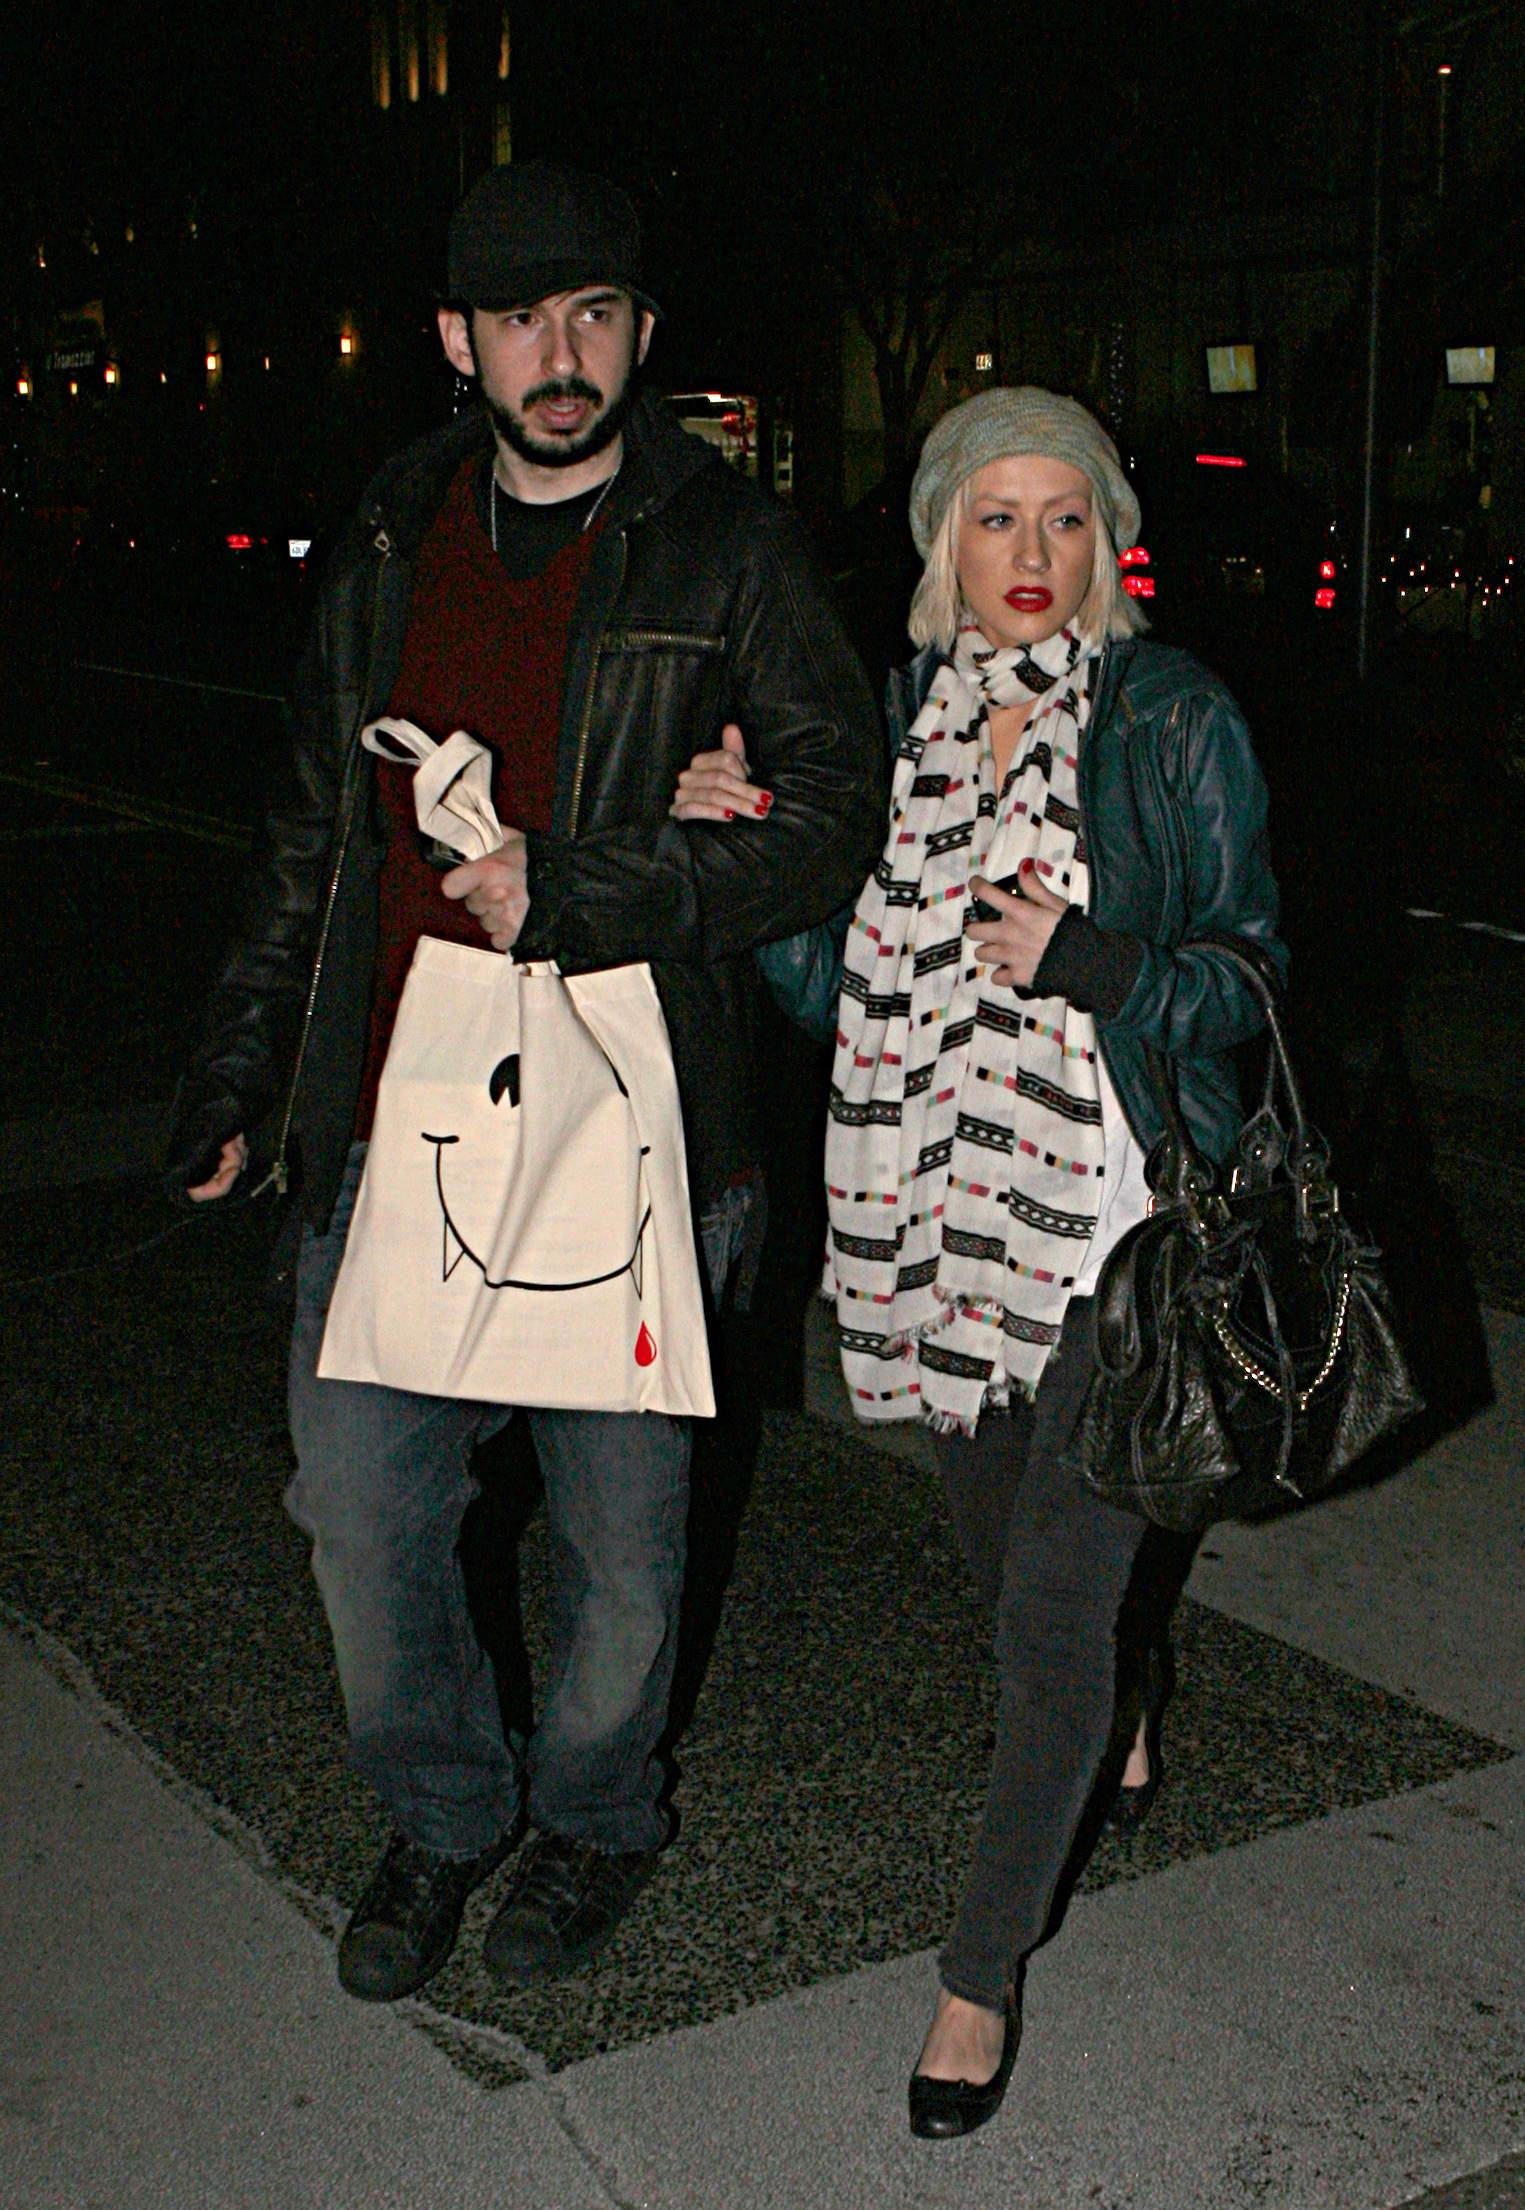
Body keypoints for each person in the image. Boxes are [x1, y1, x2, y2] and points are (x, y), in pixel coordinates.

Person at [165, 160, 883, 2006]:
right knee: (361, 1513)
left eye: (592, 316)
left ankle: (595, 1815)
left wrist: (585, 882)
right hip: (396, 1118)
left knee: (625, 1554)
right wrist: (242, 1068)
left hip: (632, 1130)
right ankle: (444, 1806)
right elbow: (313, 834)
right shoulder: (390, 535)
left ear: (642, 332)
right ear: (455, 340)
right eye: (517, 320)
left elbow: (832, 817)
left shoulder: (730, 546)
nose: (558, 356)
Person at [824, 387, 1286, 2136]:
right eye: (995, 517)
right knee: (1022, 1585)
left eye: (1064, 516)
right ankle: (1127, 1682)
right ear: (943, 539)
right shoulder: (899, 725)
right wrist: (752, 847)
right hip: (936, 1231)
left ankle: (977, 1974)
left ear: (1108, 538)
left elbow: (1248, 980)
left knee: (1042, 1622)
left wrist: (1092, 961)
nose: (1031, 553)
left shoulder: (1170, 718)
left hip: (1119, 1233)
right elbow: (830, 980)